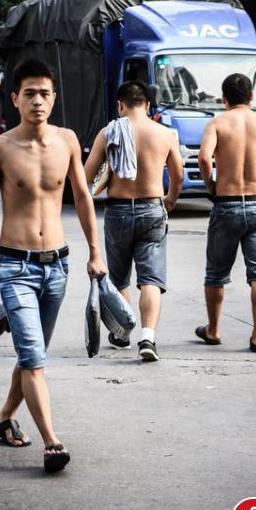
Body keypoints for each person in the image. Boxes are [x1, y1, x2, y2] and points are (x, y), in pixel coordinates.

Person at [0, 58, 106, 473]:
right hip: (14, 267)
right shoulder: (0, 148)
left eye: (45, 93)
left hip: (57, 266)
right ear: (15, 99)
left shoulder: (66, 141)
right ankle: (52, 441)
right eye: (30, 93)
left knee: (32, 355)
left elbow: (82, 196)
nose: (38, 101)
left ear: (54, 97)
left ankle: (5, 417)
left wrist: (95, 251)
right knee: (33, 356)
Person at [85, 81, 183, 362]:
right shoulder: (164, 134)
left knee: (119, 279)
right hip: (152, 208)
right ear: (148, 105)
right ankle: (148, 337)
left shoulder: (108, 133)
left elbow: (86, 176)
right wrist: (170, 200)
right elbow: (176, 176)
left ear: (120, 105)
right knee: (151, 279)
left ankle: (122, 334)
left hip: (117, 212)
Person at [196, 73, 256, 353]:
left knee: (216, 274)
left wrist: (210, 183)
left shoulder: (217, 122)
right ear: (251, 97)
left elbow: (203, 157)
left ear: (224, 99)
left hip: (227, 203)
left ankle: (212, 330)